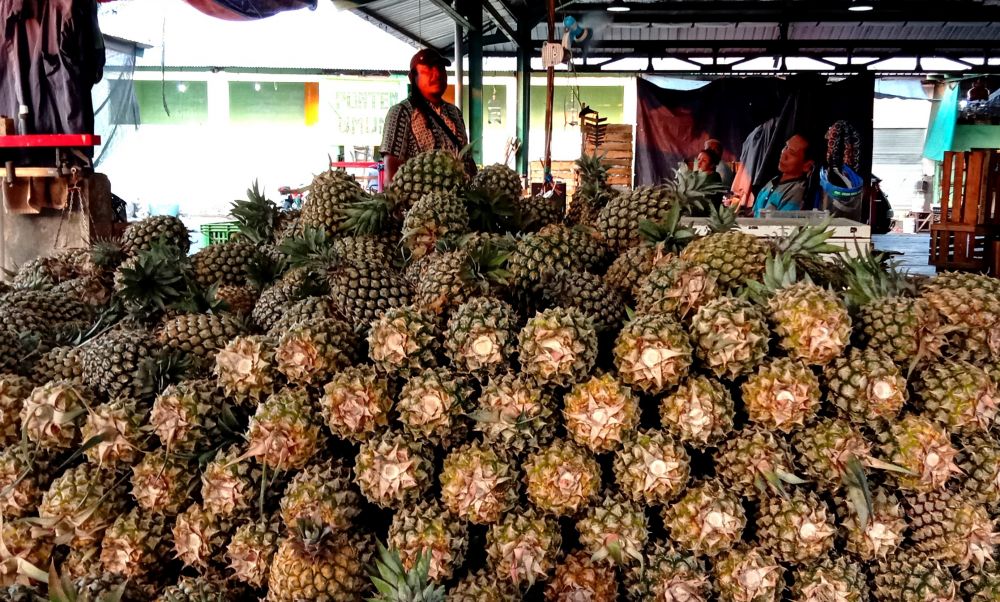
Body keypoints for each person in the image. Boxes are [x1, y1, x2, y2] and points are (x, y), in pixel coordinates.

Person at [381, 48, 476, 183]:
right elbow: (392, 172)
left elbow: (466, 159)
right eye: (429, 69)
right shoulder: (401, 113)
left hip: (458, 201)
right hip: (420, 202)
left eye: (441, 68)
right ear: (412, 77)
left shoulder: (454, 112)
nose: (437, 74)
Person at [752, 134, 816, 217]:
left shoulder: (796, 192)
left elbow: (782, 227)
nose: (783, 154)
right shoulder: (774, 180)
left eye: (792, 153)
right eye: (786, 147)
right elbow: (755, 213)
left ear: (806, 165)